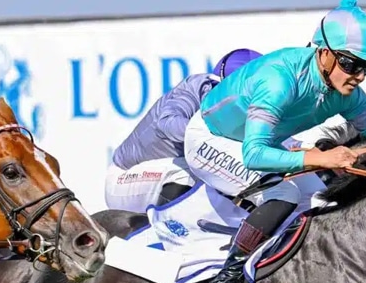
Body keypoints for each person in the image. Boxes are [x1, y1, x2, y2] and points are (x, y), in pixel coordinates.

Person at [184, 0, 366, 283]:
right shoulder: (279, 81)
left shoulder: (349, 95)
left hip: (255, 141)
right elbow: (254, 154)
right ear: (325, 53)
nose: (358, 75)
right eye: (351, 64)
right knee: (284, 193)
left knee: (318, 196)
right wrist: (321, 158)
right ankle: (224, 280)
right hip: (212, 139)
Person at [104, 48, 264, 213]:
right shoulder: (193, 90)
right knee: (188, 173)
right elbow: (166, 123)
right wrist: (213, 136)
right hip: (124, 180)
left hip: (161, 177)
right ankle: (166, 234)